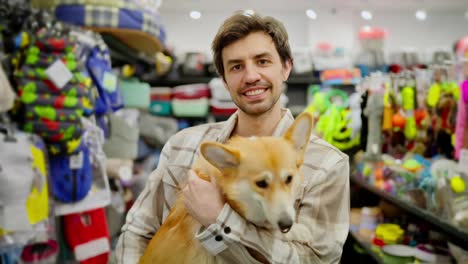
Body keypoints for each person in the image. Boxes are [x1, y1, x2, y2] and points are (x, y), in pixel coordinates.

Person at [116, 12, 350, 263]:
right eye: (236, 66)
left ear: (286, 67)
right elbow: (138, 231)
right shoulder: (181, 146)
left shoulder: (328, 165)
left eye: (262, 61)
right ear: (225, 81)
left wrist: (218, 219)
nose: (250, 76)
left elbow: (316, 260)